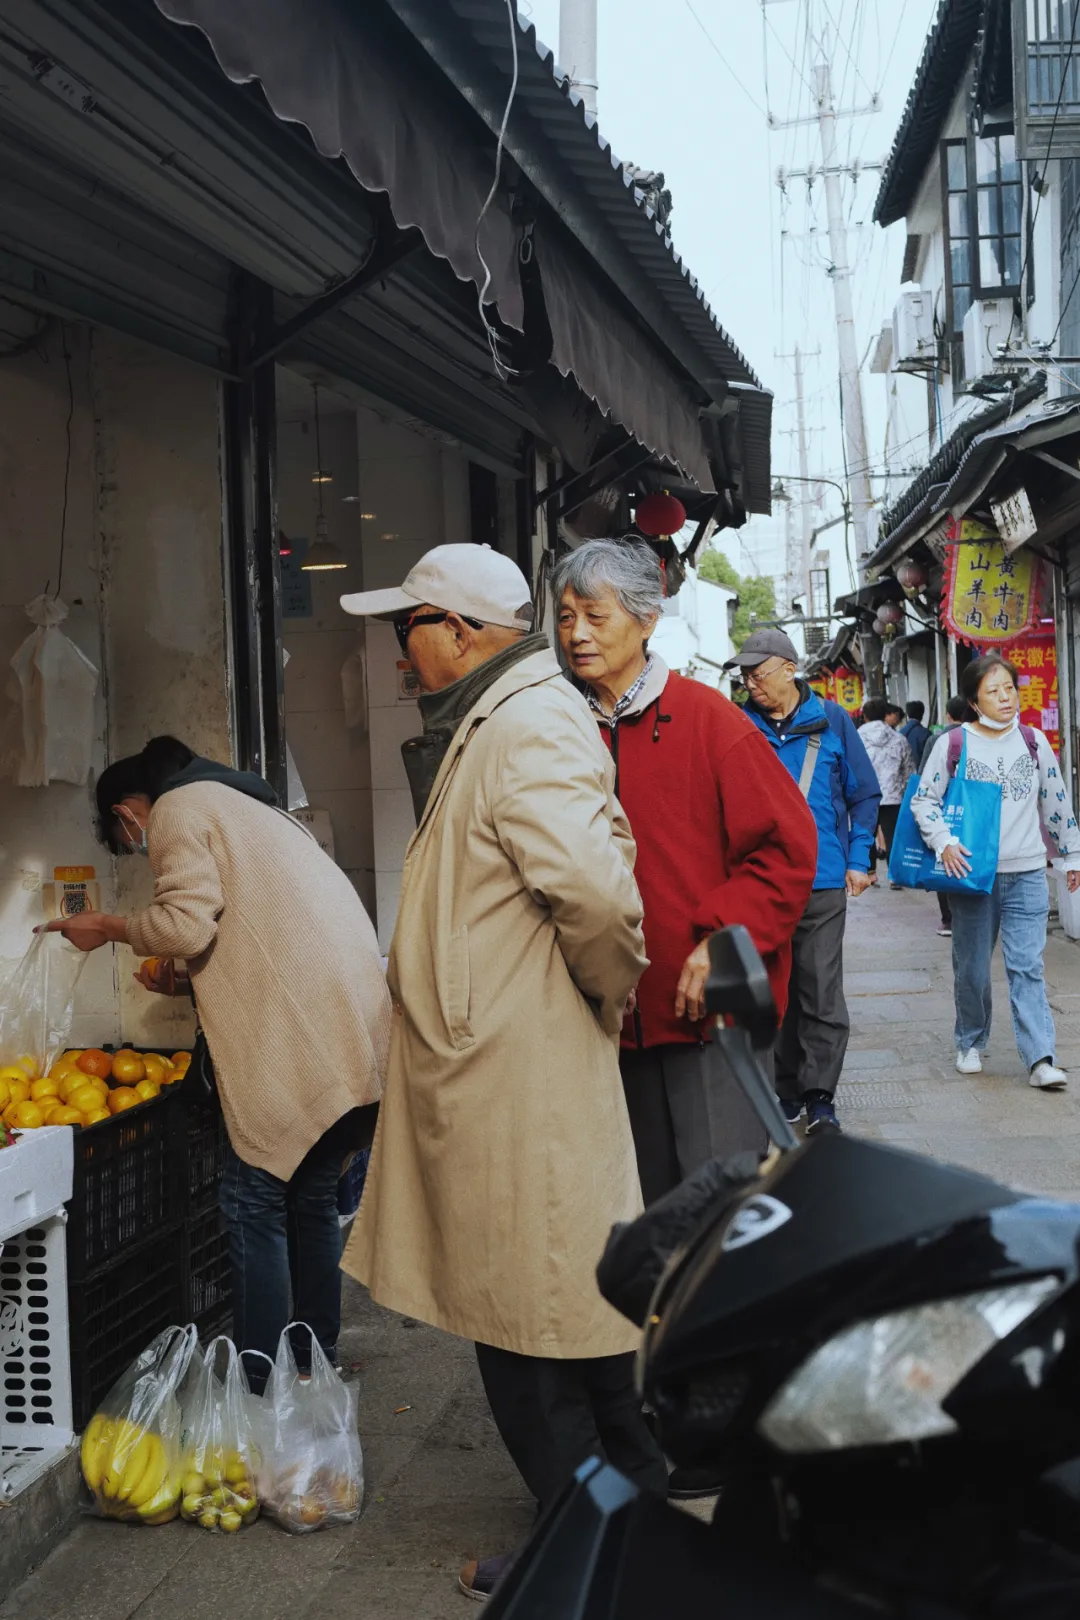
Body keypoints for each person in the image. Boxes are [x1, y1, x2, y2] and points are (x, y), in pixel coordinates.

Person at [337, 543, 668, 1601]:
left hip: (514, 1059)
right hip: (501, 1054)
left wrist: (599, 996)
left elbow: (599, 899)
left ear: (465, 632)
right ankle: (634, 1508)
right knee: (562, 1300)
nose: (401, 651)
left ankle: (580, 1533)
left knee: (522, 1314)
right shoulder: (502, 712)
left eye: (410, 628)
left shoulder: (523, 718)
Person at [43, 735, 390, 1378]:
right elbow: (256, 935)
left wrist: (109, 926)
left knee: (248, 1201)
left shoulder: (177, 809)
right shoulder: (250, 807)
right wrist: (181, 982)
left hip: (301, 1043)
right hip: (352, 1032)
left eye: (129, 845)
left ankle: (258, 1383)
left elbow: (184, 926)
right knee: (311, 1197)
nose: (141, 850)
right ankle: (314, 1364)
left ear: (128, 813)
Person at [553, 542, 817, 1203]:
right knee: (641, 1221)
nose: (577, 634)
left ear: (645, 621)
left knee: (717, 1213)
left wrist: (722, 936)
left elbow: (787, 850)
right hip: (602, 1020)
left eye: (594, 615)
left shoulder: (710, 722)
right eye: (563, 617)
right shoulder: (557, 729)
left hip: (707, 1022)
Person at [733, 631, 881, 1135]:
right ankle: (782, 1089)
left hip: (821, 882)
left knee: (819, 989)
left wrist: (858, 859)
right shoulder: (737, 724)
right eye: (745, 674)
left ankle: (819, 1096)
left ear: (789, 668)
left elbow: (864, 795)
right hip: (758, 883)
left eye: (759, 671)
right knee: (771, 992)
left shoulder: (835, 720)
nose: (750, 681)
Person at [912, 654, 1080, 1090]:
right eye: (993, 691)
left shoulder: (1033, 741)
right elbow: (924, 802)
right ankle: (969, 1041)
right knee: (971, 967)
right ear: (973, 701)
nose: (1006, 698)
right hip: (973, 875)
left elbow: (1056, 802)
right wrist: (945, 842)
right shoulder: (954, 745)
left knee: (1028, 966)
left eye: (1009, 688)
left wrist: (1072, 854)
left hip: (1027, 872)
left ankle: (1041, 1057)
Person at [920, 695, 970, 938]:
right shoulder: (976, 738)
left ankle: (948, 919)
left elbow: (923, 777)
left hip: (942, 810)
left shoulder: (936, 739)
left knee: (943, 859)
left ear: (948, 715)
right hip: (969, 810)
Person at [860, 697, 916, 885]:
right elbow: (909, 770)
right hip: (893, 796)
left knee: (866, 834)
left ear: (865, 716)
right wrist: (905, 791)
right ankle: (894, 875)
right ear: (885, 715)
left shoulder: (856, 738)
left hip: (865, 796)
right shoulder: (899, 739)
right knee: (893, 835)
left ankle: (870, 872)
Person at [901, 700, 931, 764]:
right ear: (922, 714)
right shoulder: (925, 733)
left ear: (908, 714)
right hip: (921, 771)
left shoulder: (899, 733)